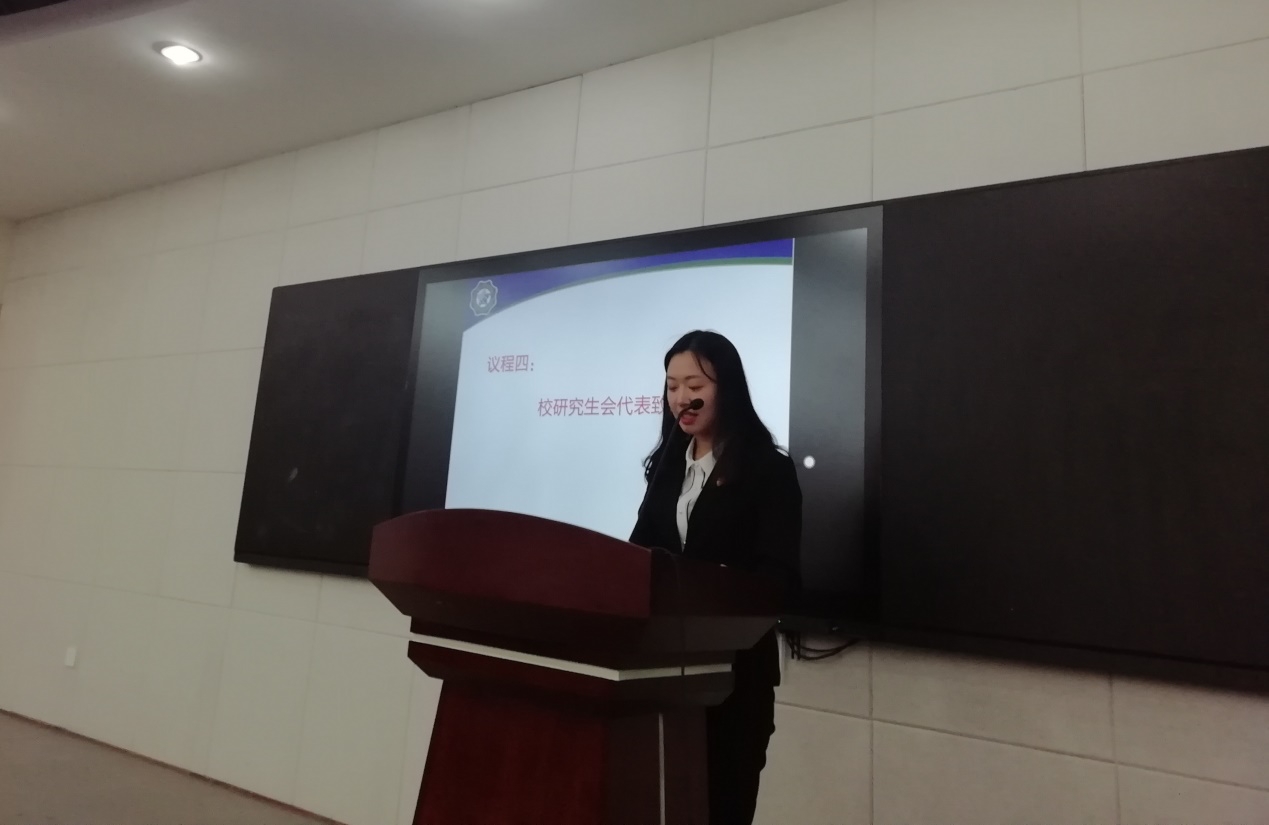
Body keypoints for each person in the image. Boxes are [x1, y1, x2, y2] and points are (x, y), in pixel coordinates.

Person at [629, 330, 802, 825]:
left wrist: (723, 585)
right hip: (662, 677)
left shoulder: (768, 470)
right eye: (671, 386)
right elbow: (639, 555)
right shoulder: (666, 468)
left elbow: (780, 579)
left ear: (727, 388)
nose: (680, 398)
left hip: (734, 682)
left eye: (694, 385)